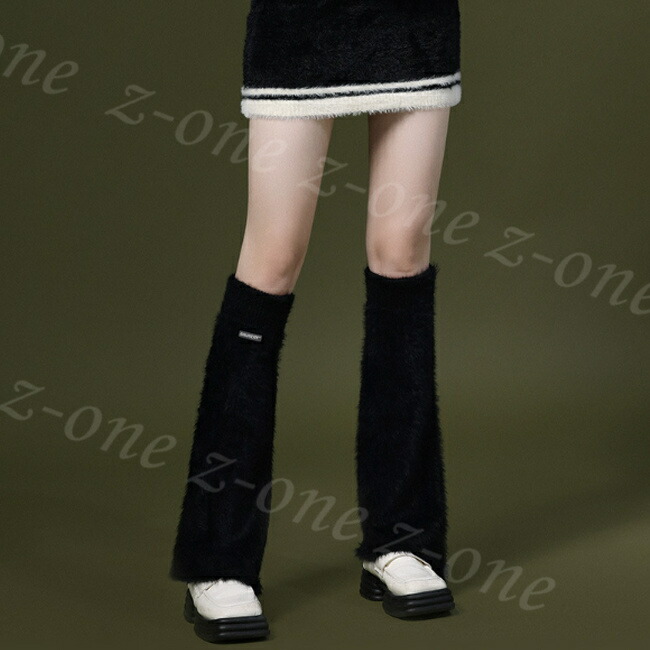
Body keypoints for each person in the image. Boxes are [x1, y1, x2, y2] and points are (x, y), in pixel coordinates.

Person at [170, 0, 462, 642]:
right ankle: (218, 558)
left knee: (403, 251)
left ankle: (404, 537)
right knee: (272, 258)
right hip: (299, 26)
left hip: (412, 27)